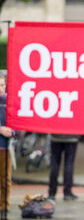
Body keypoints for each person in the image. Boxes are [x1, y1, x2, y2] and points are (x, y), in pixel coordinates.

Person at [48, 134, 80, 201]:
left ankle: (52, 192)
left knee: (54, 163)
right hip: (71, 136)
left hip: (56, 136)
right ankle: (67, 192)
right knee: (69, 163)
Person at [0, 75, 14, 220]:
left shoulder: (9, 101)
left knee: (6, 179)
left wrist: (13, 132)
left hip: (6, 147)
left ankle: (4, 206)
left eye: (2, 85)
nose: (0, 88)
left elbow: (18, 123)